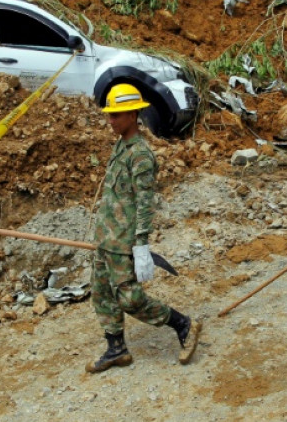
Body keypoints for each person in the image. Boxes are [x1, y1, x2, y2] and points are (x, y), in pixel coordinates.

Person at [86, 83, 201, 373]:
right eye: (109, 115)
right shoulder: (120, 145)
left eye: (117, 115)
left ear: (133, 115)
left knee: (129, 298)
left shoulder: (140, 155)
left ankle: (183, 324)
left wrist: (141, 244)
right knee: (101, 293)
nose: (111, 121)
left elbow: (145, 203)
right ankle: (116, 349)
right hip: (106, 239)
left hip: (123, 242)